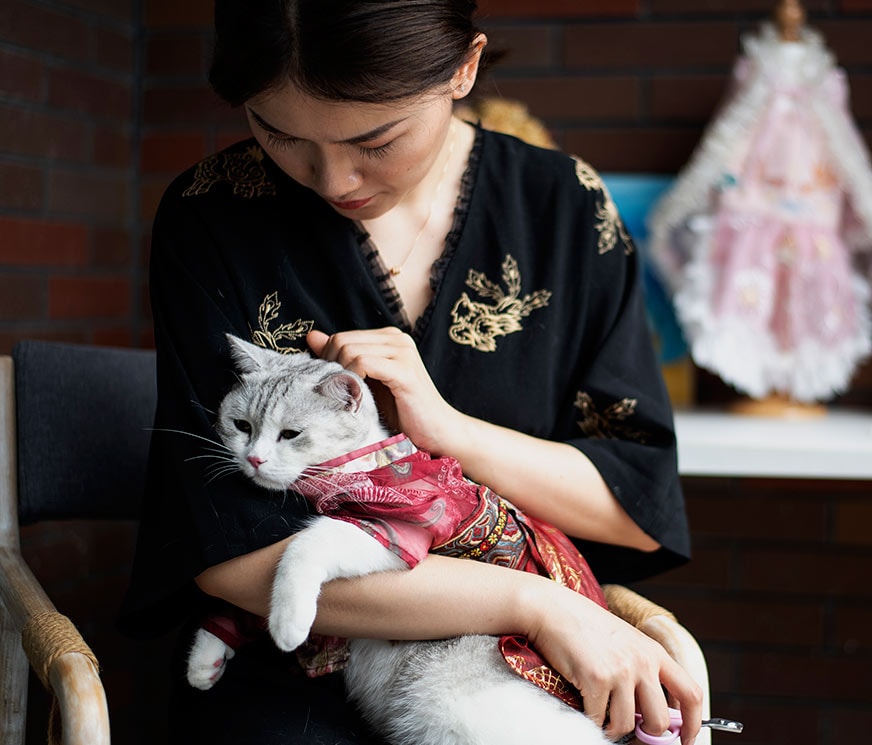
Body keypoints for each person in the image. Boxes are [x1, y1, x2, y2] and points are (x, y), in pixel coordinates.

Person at [117, 1, 700, 742]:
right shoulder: (212, 214)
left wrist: (449, 429)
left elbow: (636, 504)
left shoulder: (562, 206)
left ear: (465, 67)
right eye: (280, 133)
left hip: (519, 674)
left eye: (375, 138)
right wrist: (536, 604)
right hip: (290, 675)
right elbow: (225, 550)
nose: (331, 179)